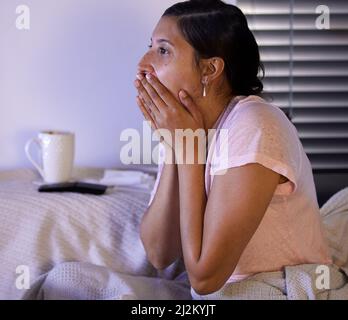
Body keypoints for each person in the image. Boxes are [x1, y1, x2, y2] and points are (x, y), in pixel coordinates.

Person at [134, 0, 332, 297]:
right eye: (150, 46)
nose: (142, 64)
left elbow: (203, 279)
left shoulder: (255, 123)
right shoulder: (186, 127)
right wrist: (179, 147)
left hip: (278, 287)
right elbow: (160, 253)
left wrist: (189, 152)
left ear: (210, 69)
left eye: (163, 50)